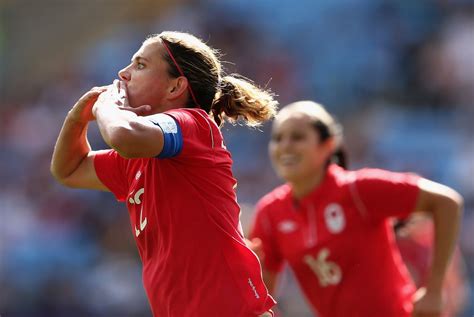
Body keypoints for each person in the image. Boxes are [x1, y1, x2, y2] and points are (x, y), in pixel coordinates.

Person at [51, 31, 278, 317]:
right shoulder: (135, 159)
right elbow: (68, 169)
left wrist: (109, 106)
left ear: (175, 88)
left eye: (141, 65)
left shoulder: (193, 123)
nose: (123, 73)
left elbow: (122, 135)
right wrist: (77, 116)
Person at [248, 100, 463, 317]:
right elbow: (260, 295)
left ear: (327, 145)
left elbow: (447, 202)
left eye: (298, 137)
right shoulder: (270, 213)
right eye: (277, 139)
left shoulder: (358, 190)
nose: (285, 146)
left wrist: (433, 290)